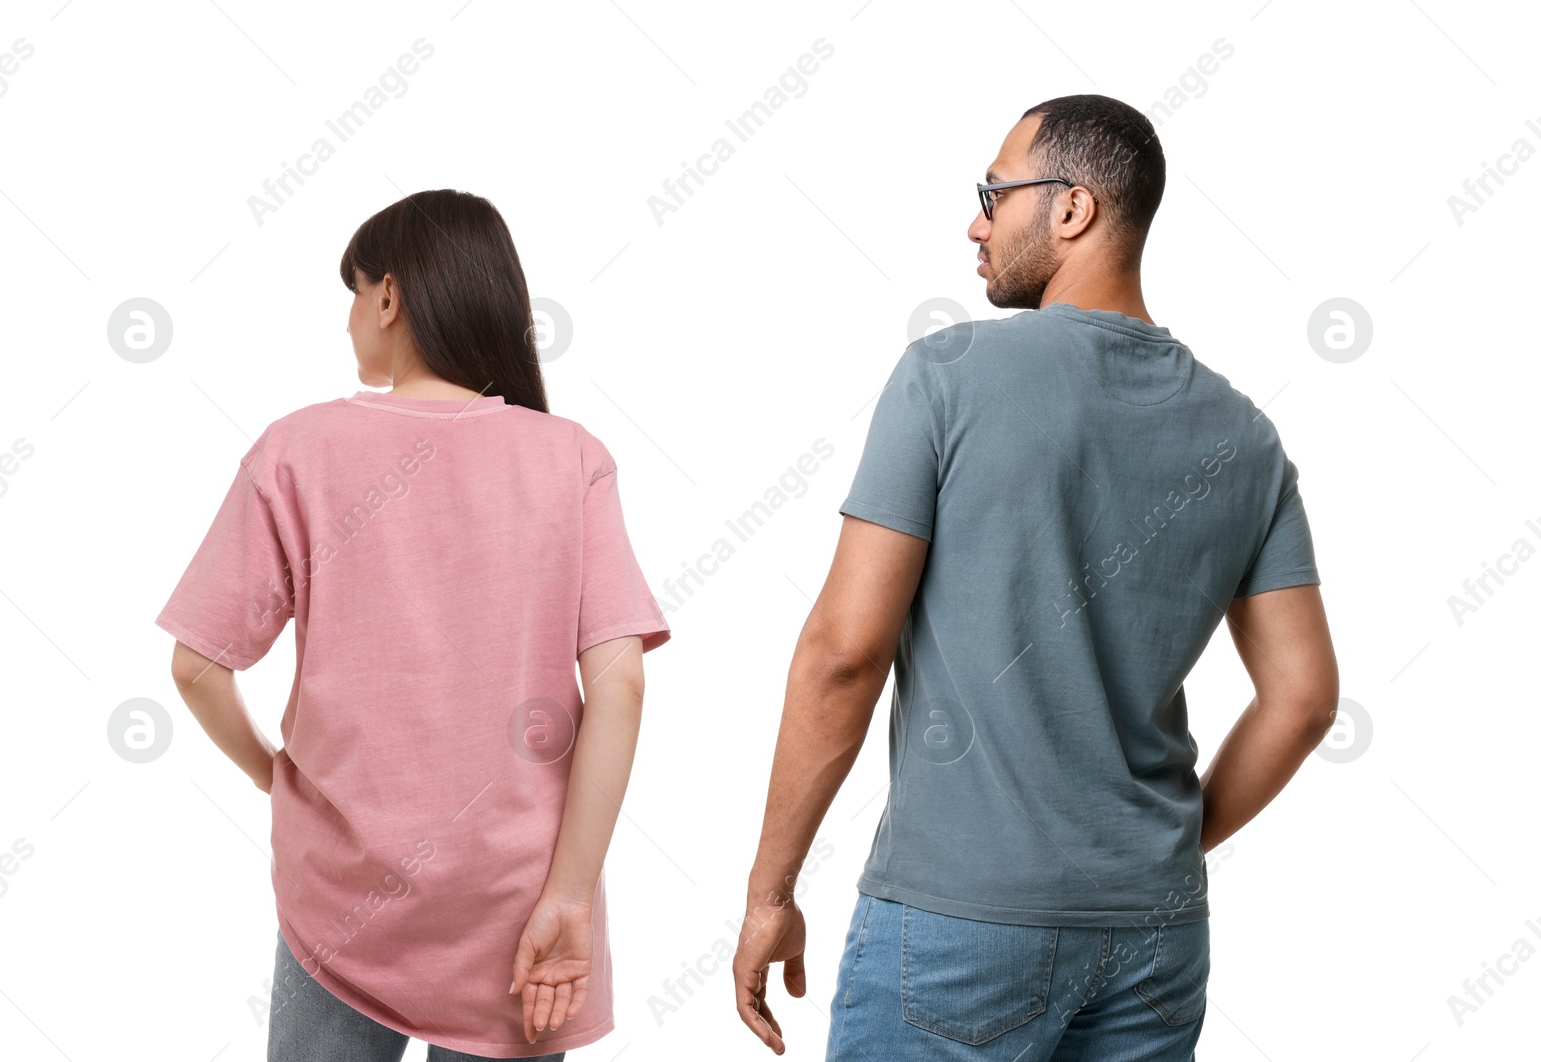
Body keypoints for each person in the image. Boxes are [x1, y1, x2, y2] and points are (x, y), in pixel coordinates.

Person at [731, 94, 1340, 1060]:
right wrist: (1160, 855)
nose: (976, 222)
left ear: (1071, 209)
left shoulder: (946, 375)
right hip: (1157, 938)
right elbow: (1303, 700)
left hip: (962, 927)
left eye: (994, 193)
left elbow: (846, 653)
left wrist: (770, 893)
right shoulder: (1245, 437)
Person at [155, 189, 670, 1060]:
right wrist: (571, 896)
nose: (352, 318)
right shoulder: (569, 456)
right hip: (521, 911)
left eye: (355, 292)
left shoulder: (298, 448)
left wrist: (272, 777)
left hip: (341, 901)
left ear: (388, 297)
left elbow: (196, 667)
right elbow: (619, 684)